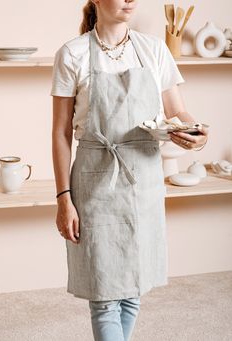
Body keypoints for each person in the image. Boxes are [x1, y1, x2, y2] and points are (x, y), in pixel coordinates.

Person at [50, 1, 208, 340]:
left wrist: (194, 133)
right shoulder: (72, 54)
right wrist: (64, 198)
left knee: (133, 288)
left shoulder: (153, 50)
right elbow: (61, 132)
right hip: (95, 180)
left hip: (143, 180)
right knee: (105, 294)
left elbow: (176, 110)